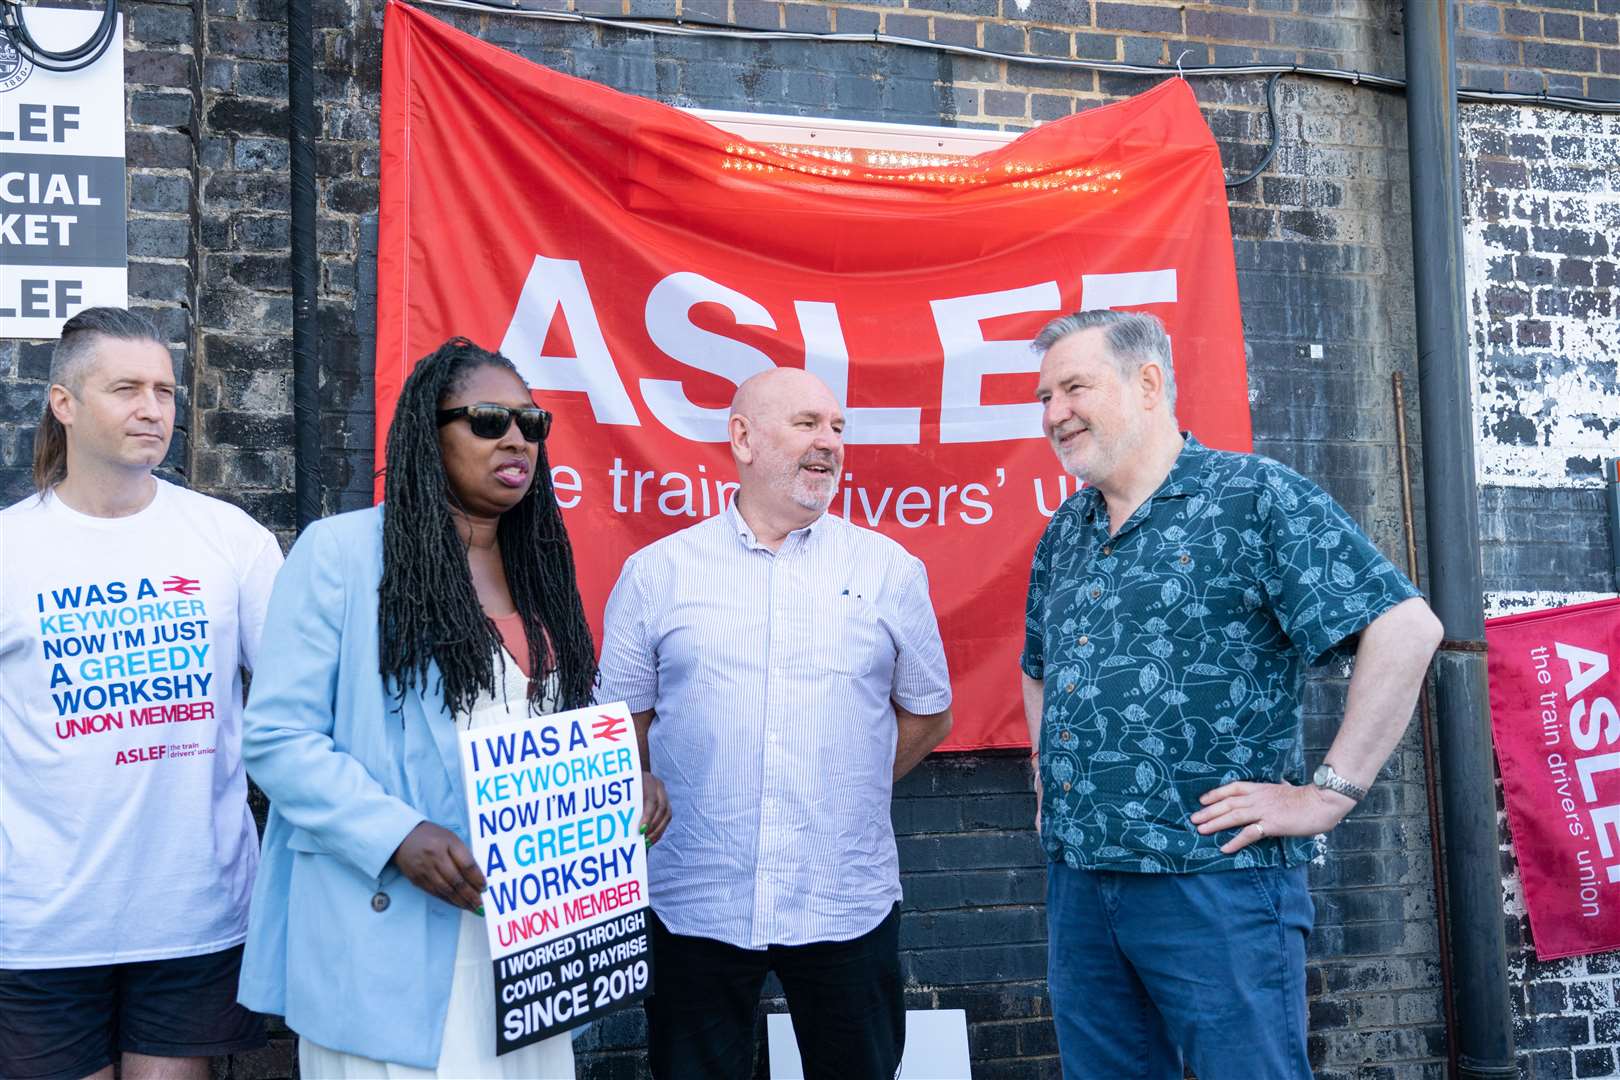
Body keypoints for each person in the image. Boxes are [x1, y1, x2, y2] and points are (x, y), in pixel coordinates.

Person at [1022, 310, 1443, 1079]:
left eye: (1073, 388)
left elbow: (1406, 627)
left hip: (1214, 884)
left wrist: (1325, 796)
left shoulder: (1253, 498)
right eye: (1045, 397)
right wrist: (1050, 784)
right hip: (1082, 885)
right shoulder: (1066, 531)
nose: (1054, 415)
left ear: (1148, 383)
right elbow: (1039, 665)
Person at [235, 338, 669, 1077]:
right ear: (425, 435)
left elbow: (540, 729)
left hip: (531, 937)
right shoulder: (341, 555)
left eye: (532, 424)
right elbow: (279, 739)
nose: (516, 439)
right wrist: (397, 834)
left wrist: (618, 777)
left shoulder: (538, 569)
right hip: (393, 921)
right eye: (488, 420)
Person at [597, 366, 953, 1080]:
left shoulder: (889, 570)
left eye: (838, 428)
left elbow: (929, 712)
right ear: (743, 438)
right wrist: (639, 777)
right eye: (807, 424)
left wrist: (843, 787)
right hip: (695, 898)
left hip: (841, 894)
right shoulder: (656, 572)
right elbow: (622, 717)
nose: (829, 443)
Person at [0, 307, 280, 1080]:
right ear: (64, 402)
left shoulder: (230, 539)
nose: (152, 408)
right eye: (126, 388)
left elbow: (300, 704)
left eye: (163, 389)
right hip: (38, 922)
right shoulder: (12, 550)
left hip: (192, 909)